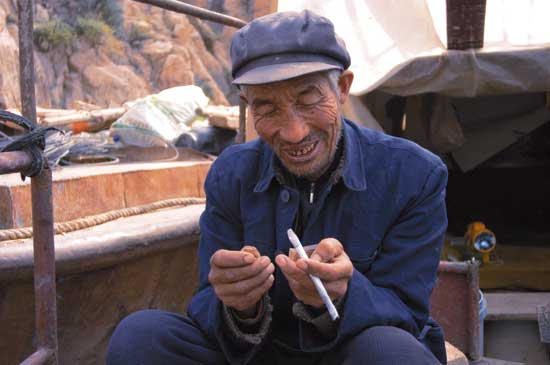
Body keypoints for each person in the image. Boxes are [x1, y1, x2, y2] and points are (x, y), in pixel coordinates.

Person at [106, 10, 448, 365]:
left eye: (308, 99)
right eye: (267, 108)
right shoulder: (231, 173)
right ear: (248, 106)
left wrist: (343, 296)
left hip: (348, 354)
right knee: (140, 338)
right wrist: (241, 307)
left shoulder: (414, 175)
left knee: (390, 352)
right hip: (259, 354)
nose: (294, 132)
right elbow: (207, 302)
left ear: (342, 88)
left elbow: (406, 311)